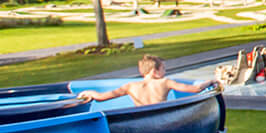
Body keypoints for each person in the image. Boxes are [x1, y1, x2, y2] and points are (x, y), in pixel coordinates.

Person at [77, 55, 219, 107]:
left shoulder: (130, 86)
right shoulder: (165, 82)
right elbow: (195, 89)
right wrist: (211, 81)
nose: (165, 72)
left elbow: (102, 98)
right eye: (163, 69)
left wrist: (89, 92)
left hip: (142, 118)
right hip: (160, 117)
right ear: (154, 71)